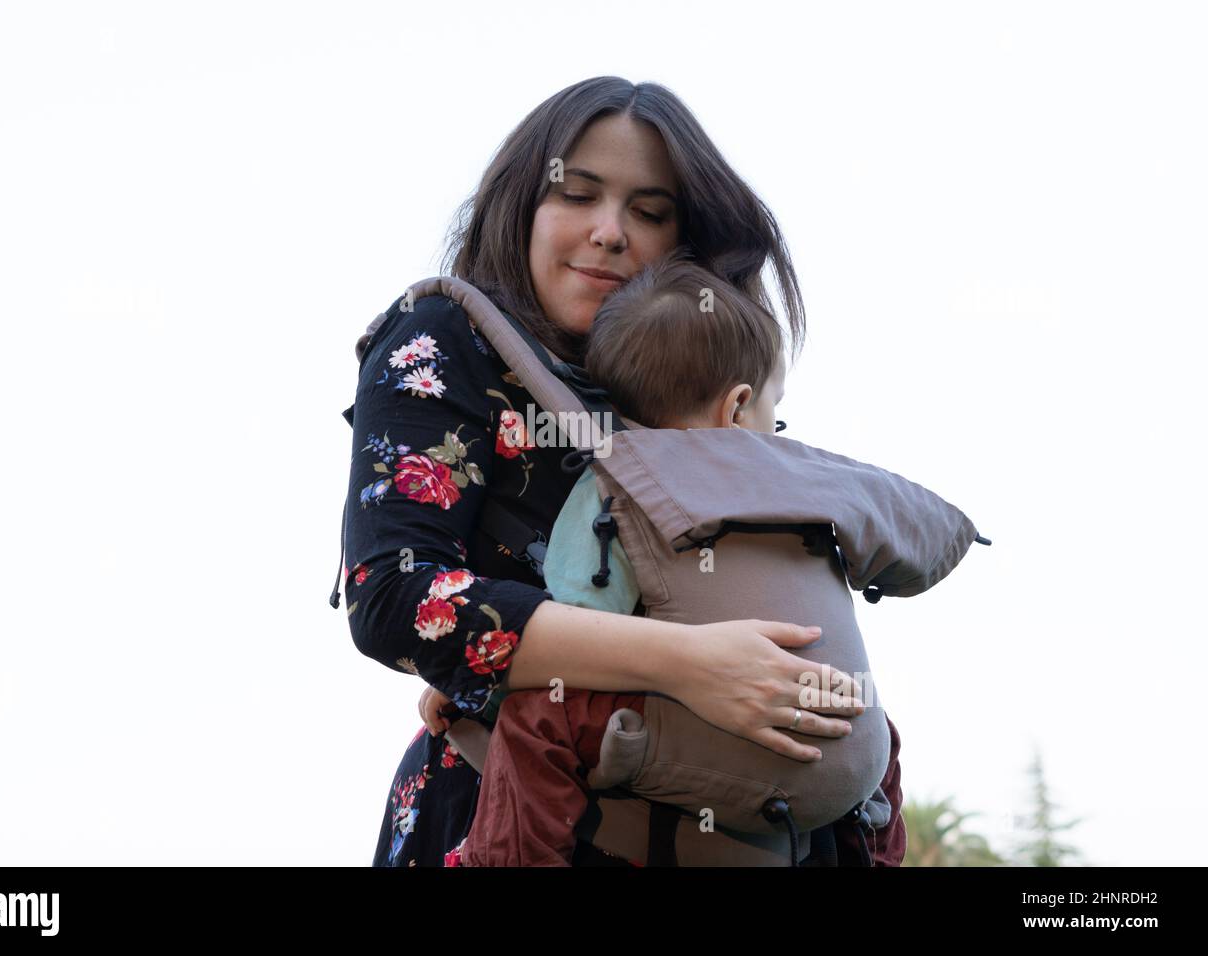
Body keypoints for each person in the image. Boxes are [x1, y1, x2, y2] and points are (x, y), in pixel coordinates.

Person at [340, 76, 907, 867]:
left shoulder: (710, 395)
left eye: (649, 212)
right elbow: (397, 597)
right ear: (522, 207)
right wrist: (692, 665)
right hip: (521, 822)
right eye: (576, 194)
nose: (609, 232)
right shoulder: (448, 337)